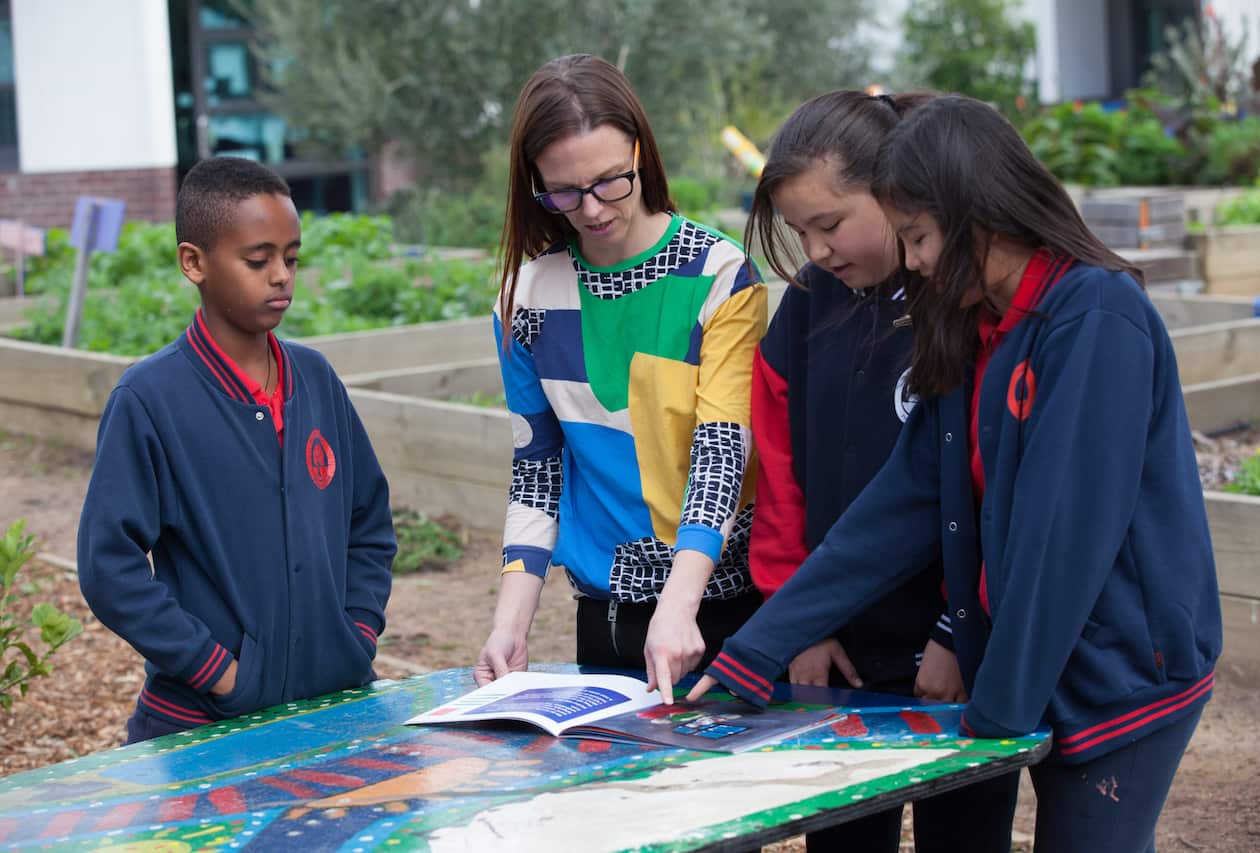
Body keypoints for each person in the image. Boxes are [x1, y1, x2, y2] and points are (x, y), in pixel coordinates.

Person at [690, 94, 1221, 853]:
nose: (914, 263)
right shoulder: (980, 325)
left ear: (980, 212)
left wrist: (994, 720)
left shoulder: (1095, 320)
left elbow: (1059, 542)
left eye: (920, 237)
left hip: (1120, 678)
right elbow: (899, 504)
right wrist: (757, 647)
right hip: (1047, 667)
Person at [746, 90, 1017, 853]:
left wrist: (957, 630)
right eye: (802, 232)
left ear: (896, 191)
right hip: (839, 652)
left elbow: (999, 491)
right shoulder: (805, 306)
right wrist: (802, 615)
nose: (819, 250)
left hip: (954, 649)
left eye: (830, 224)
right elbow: (780, 476)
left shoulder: (963, 301)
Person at [474, 54, 766, 703]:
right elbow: (537, 467)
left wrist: (679, 603)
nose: (592, 209)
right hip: (604, 616)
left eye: (611, 181)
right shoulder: (526, 298)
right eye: (565, 192)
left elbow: (721, 452)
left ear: (641, 151)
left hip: (717, 610)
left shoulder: (720, 275)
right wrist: (509, 625)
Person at [77, 157, 397, 744]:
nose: (281, 276)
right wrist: (217, 671)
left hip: (336, 707)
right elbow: (108, 566)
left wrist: (356, 634)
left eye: (292, 258)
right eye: (259, 259)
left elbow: (369, 521)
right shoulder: (150, 399)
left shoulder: (317, 379)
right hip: (205, 724)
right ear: (193, 263)